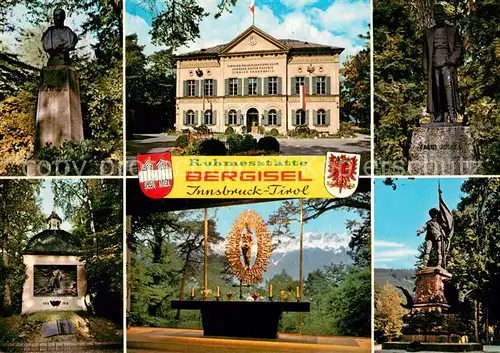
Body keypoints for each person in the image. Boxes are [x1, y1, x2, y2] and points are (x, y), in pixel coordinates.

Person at [423, 4, 462, 123]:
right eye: (437, 15)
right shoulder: (428, 33)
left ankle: (452, 114)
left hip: (447, 63)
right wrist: (425, 68)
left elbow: (458, 48)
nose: (439, 17)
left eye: (441, 15)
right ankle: (439, 114)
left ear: (444, 16)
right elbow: (425, 53)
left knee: (448, 88)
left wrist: (452, 59)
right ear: (434, 17)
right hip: (434, 65)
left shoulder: (452, 30)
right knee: (438, 89)